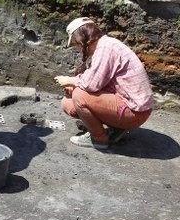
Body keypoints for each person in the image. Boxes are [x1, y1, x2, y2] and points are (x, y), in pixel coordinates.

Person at [55, 17, 153, 150]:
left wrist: (69, 81)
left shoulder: (106, 49)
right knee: (68, 104)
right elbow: (96, 82)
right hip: (128, 105)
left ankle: (99, 139)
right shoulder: (103, 46)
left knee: (79, 95)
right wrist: (74, 85)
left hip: (135, 111)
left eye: (76, 44)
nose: (77, 49)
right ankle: (116, 129)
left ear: (82, 39)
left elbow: (91, 85)